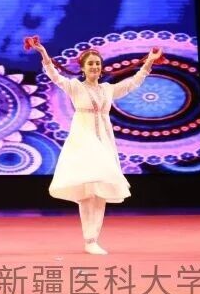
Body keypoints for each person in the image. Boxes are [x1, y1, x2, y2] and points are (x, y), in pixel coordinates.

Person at [25, 35, 163, 254]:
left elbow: (132, 83)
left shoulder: (107, 89)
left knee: (99, 192)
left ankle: (92, 239)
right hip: (83, 141)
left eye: (97, 63)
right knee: (86, 193)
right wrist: (42, 52)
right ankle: (90, 239)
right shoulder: (75, 87)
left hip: (104, 141)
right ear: (82, 67)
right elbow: (54, 75)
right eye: (90, 63)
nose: (95, 67)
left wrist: (149, 62)